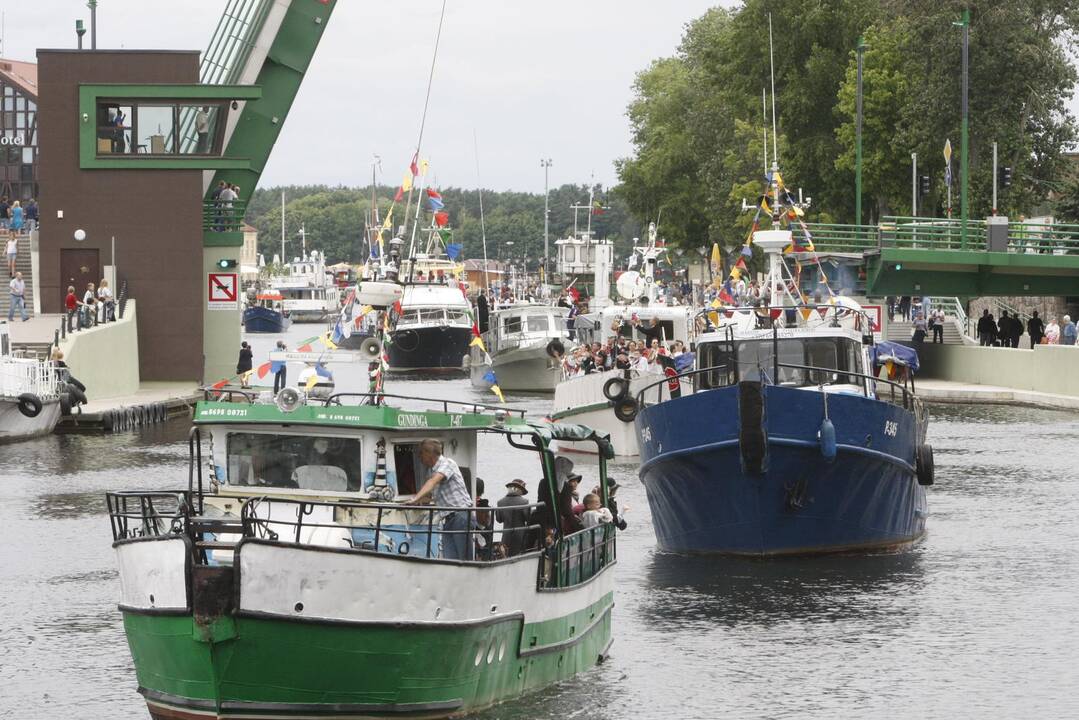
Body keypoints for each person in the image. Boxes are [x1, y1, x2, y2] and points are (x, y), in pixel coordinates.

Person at [407, 438, 474, 560]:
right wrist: (415, 501)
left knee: (464, 560)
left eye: (421, 454)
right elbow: (430, 496)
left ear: (429, 453)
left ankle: (471, 578)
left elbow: (433, 482)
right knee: (450, 559)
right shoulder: (431, 471)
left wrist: (415, 498)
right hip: (449, 519)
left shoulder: (447, 463)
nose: (419, 458)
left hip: (461, 516)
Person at [496, 479, 531, 557]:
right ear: (520, 490)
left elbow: (499, 519)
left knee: (506, 557)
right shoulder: (524, 502)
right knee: (519, 557)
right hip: (520, 537)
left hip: (506, 536)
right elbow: (528, 519)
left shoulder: (500, 502)